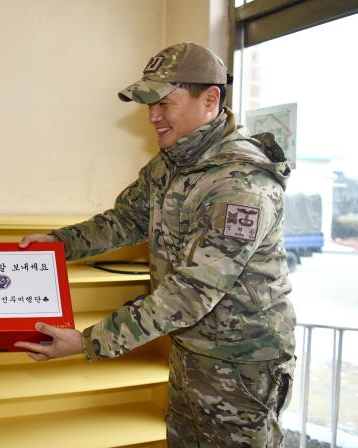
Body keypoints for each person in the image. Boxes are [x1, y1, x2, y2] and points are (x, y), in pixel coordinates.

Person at [15, 43, 295, 447]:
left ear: (210, 99)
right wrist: (58, 243)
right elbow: (124, 220)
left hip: (242, 366)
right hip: (189, 347)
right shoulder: (171, 164)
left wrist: (89, 341)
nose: (152, 117)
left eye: (163, 102)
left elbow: (192, 292)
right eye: (147, 104)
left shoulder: (240, 184)